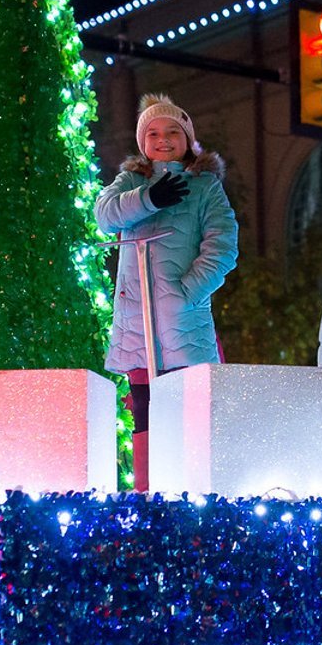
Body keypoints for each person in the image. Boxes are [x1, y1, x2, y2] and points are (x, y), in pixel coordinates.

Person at [95, 93, 239, 491]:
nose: (163, 139)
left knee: (185, 411)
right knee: (143, 410)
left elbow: (222, 245)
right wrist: (148, 199)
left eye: (172, 132)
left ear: (187, 138)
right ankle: (147, 493)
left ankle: (190, 495)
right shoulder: (130, 182)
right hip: (136, 325)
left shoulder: (204, 186)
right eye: (154, 133)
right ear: (143, 141)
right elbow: (105, 215)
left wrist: (186, 292)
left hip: (183, 324)